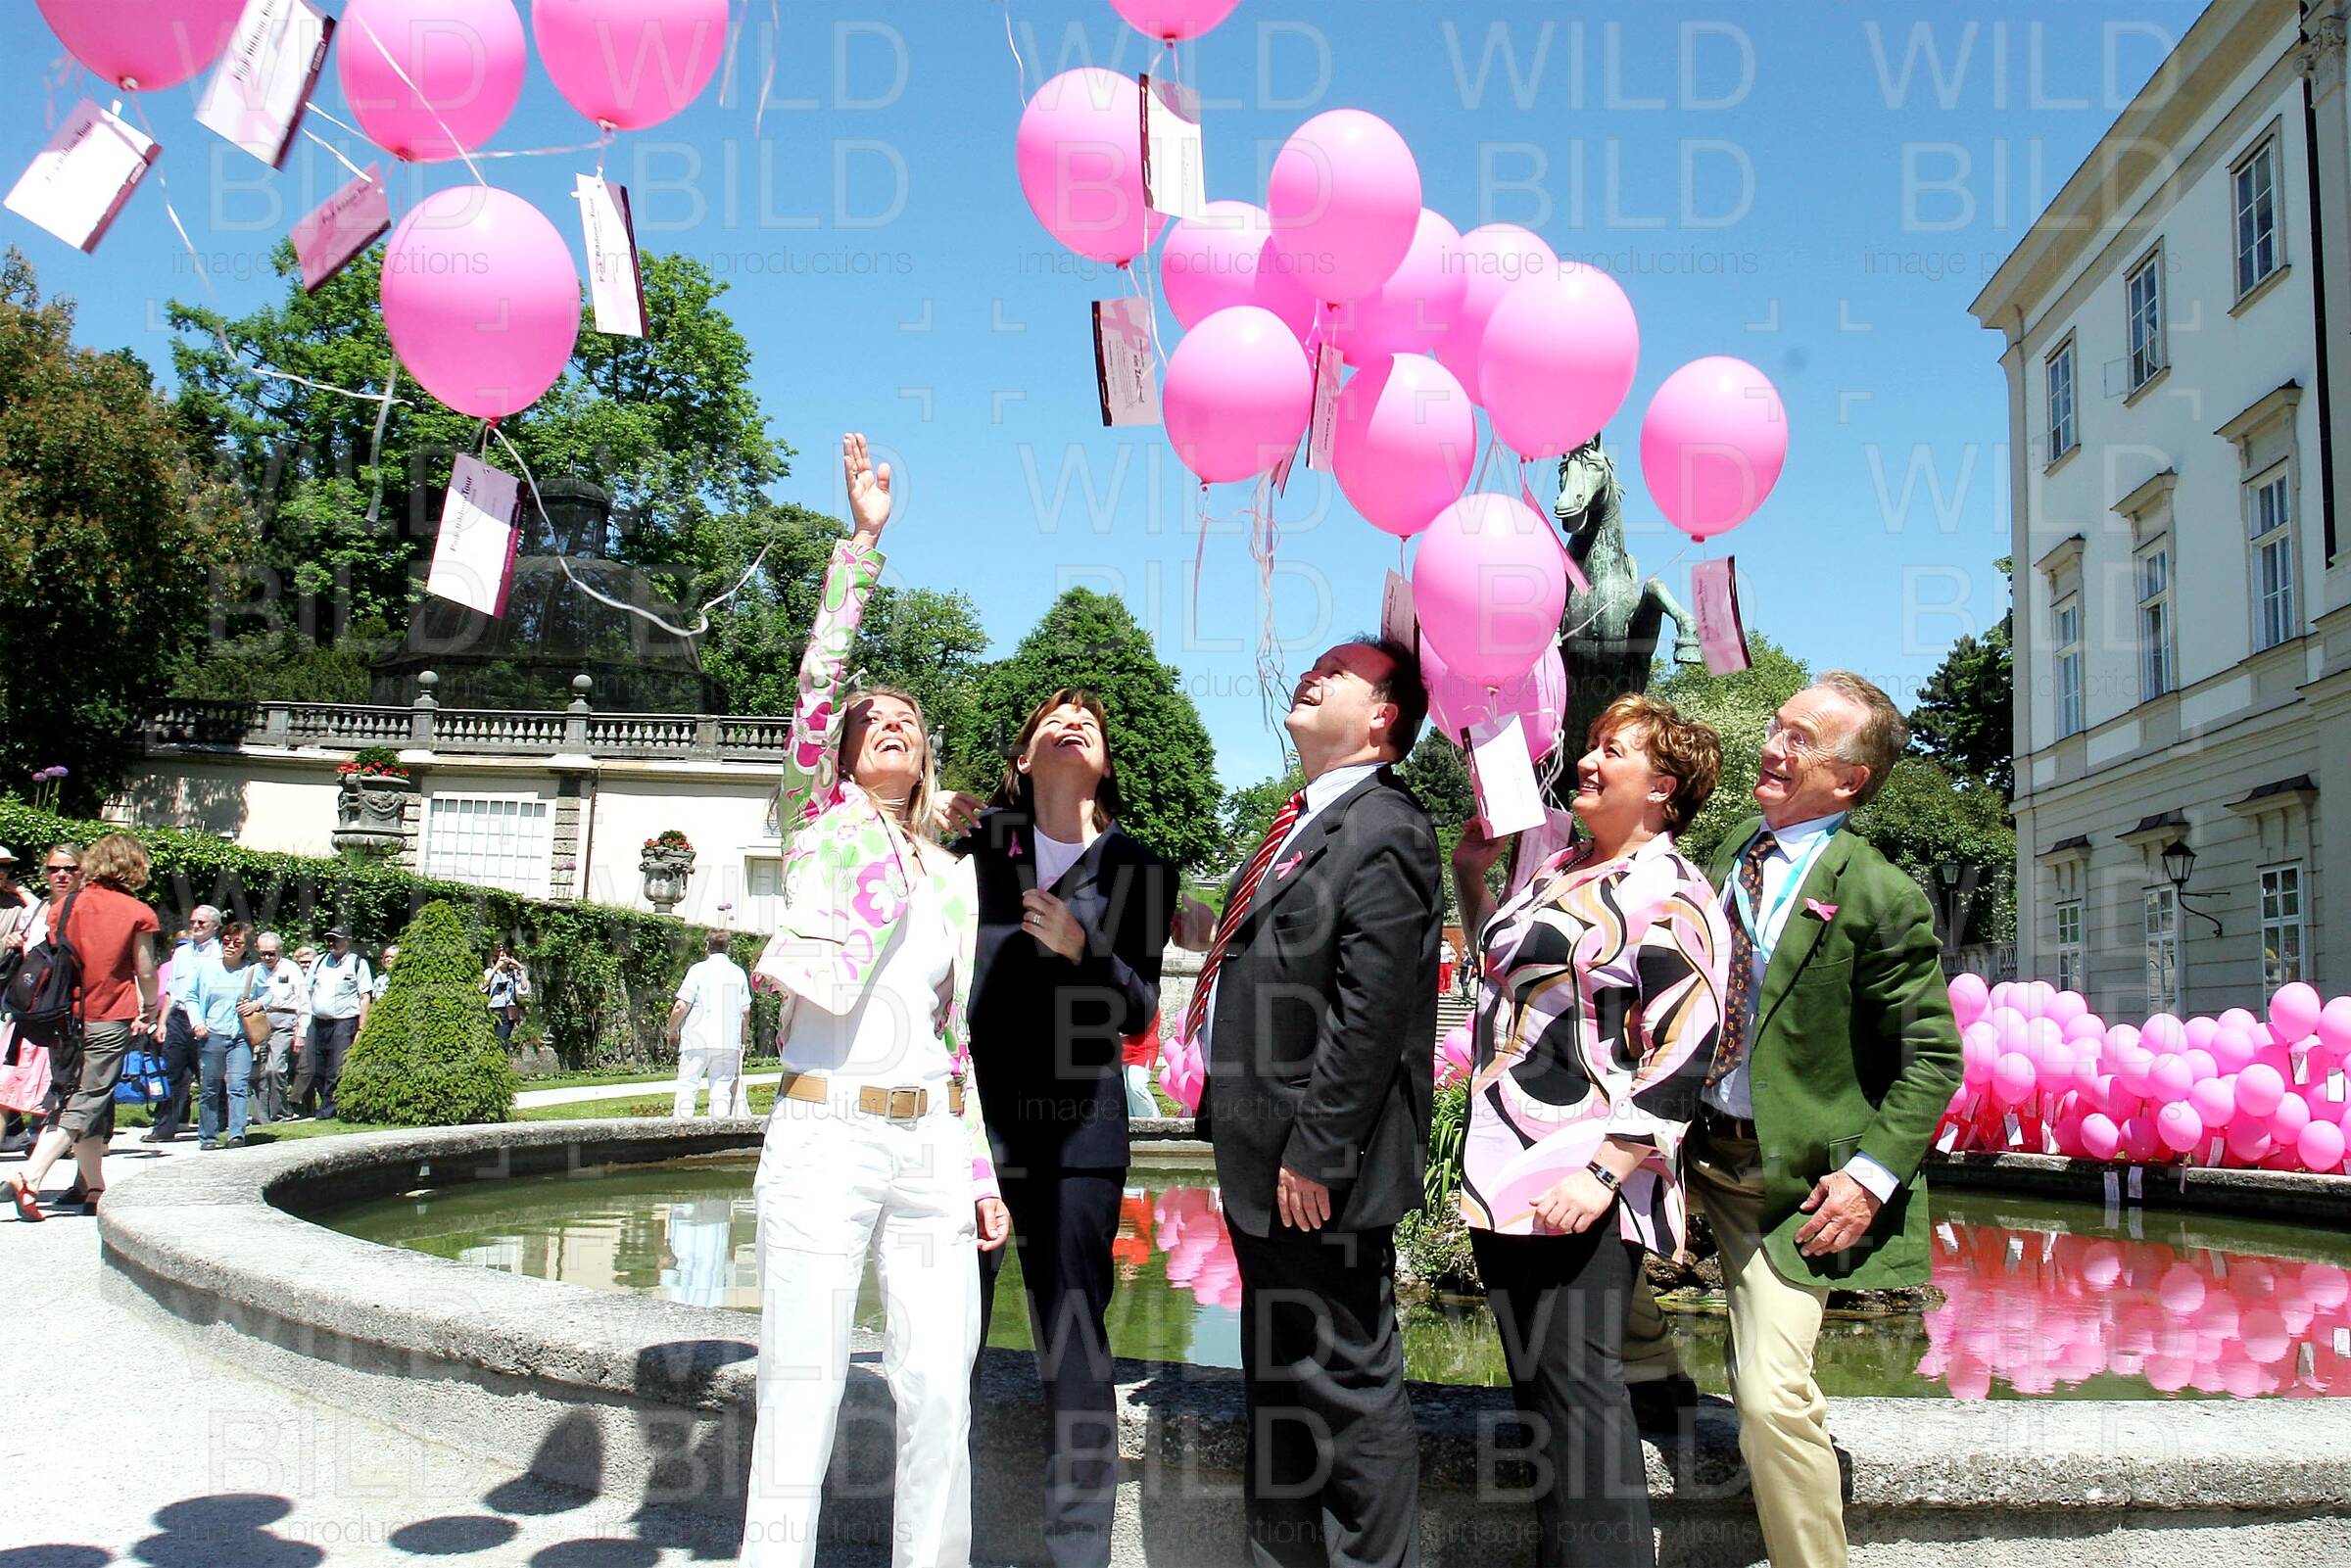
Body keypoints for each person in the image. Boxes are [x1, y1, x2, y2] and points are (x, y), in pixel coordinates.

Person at [1620, 673, 1963, 1568]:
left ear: (1849, 780)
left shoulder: (1880, 893)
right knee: (1569, 1251)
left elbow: (1933, 1059)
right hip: (1688, 1148)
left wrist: (1868, 1180)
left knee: (1772, 1400)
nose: (1773, 745)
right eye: (1778, 727)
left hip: (1786, 1187)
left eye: (1801, 738)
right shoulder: (1735, 848)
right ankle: (1657, 1383)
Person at [739, 435, 1009, 1568]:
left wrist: (981, 1170)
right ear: (845, 754)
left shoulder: (953, 874)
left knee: (939, 1388)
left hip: (931, 1144)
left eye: (909, 720)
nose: (892, 723)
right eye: (873, 719)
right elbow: (816, 687)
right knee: (800, 1381)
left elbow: (957, 1039)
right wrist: (862, 543)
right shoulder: (820, 821)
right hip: (827, 1125)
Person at [1449, 696, 1731, 1568]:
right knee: (1544, 1400)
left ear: (1664, 787)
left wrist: (1605, 1172)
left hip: (1584, 1176)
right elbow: (1508, 970)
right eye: (1591, 744)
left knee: (1579, 1401)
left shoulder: (1672, 889)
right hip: (1508, 1167)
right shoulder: (1563, 867)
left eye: (1613, 750)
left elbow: (1687, 1045)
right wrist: (1470, 878)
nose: (1587, 760)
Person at [1195, 639, 1441, 1568]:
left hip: (1316, 1171)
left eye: (1339, 669)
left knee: (1345, 1394)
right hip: (1265, 1157)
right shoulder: (1304, 821)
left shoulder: (1386, 826)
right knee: (1282, 1392)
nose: (1312, 672)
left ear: (1382, 715)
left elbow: (1371, 1012)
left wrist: (1318, 1150)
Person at [956, 685, 1176, 1568]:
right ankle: (938, 1538)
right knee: (946, 1339)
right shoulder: (974, 848)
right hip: (965, 1134)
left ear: (1106, 761)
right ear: (1023, 756)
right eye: (1053, 716)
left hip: (1079, 1139)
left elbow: (1141, 1010)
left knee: (1076, 1345)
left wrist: (1088, 953)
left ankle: (1078, 1552)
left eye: (1090, 718)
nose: (1073, 720)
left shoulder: (1139, 871)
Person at [6, 836, 161, 1220]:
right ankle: (30, 1175)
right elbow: (144, 970)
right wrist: (151, 1007)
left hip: (63, 1017)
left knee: (72, 1095)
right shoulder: (137, 912)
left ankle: (94, 1187)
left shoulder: (66, 906)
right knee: (89, 1097)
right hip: (109, 1015)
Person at [145, 905, 220, 1143]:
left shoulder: (219, 953)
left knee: (208, 1074)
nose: (195, 926)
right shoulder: (182, 953)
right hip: (178, 1017)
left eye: (201, 923)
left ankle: (218, 1125)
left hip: (205, 1018)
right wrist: (162, 1023)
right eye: (193, 922)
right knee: (172, 1072)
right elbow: (171, 991)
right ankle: (164, 1127)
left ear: (214, 927)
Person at [190, 920, 260, 1150]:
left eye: (236, 943)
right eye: (226, 941)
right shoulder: (206, 968)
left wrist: (256, 1005)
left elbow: (269, 995)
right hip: (212, 1034)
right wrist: (197, 1022)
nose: (230, 946)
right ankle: (208, 1137)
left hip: (240, 1036)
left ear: (246, 947)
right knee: (210, 1088)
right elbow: (190, 996)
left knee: (238, 1086)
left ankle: (237, 1134)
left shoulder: (252, 971)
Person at [670, 930, 752, 1117]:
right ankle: (719, 1131)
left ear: (707, 946)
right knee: (721, 1092)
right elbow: (745, 1011)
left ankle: (681, 1128)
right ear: (728, 947)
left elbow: (681, 1006)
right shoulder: (738, 973)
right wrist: (742, 1040)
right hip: (727, 1040)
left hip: (696, 1038)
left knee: (687, 1086)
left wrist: (672, 1030)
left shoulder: (697, 970)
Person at [292, 927, 371, 1120]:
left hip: (344, 1022)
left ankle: (328, 1110)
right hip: (318, 1021)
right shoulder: (319, 962)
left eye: (335, 940)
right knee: (315, 1068)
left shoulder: (358, 964)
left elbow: (365, 997)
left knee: (336, 1068)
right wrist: (302, 1023)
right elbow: (307, 992)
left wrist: (361, 1027)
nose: (331, 944)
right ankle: (328, 1103)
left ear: (347, 941)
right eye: (328, 940)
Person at [0, 846, 39, 1156]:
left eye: (6, 868)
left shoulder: (16, 905)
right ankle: (15, 1131)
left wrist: (23, 893)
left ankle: (14, 1131)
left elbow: (46, 919)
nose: (2, 874)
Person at [246, 931, 308, 1125]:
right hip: (259, 1019)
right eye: (263, 953)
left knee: (275, 1069)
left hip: (284, 1018)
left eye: (271, 953)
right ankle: (260, 1115)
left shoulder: (291, 969)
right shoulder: (254, 970)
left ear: (279, 951)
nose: (266, 957)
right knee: (258, 1070)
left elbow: (303, 1001)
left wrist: (302, 1031)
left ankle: (279, 1112)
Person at [481, 944, 531, 1043]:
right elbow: (483, 985)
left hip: (507, 1010)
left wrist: (520, 968)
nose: (503, 959)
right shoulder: (490, 972)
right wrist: (496, 967)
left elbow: (524, 988)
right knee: (490, 1039)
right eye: (501, 956)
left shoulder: (513, 973)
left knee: (502, 1039)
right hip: (492, 1009)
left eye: (505, 956)